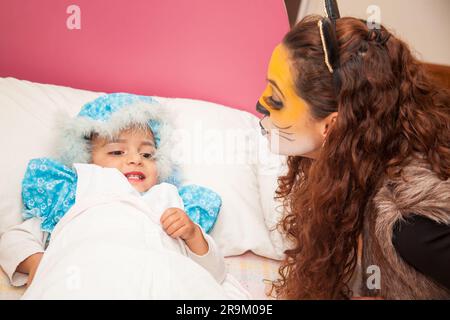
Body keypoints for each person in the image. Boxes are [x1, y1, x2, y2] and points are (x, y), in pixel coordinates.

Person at [256, 2, 450, 299]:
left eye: (276, 99)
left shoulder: (411, 225)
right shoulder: (359, 160)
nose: (260, 103)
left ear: (331, 126)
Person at [0, 93, 241, 299]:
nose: (135, 159)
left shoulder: (172, 201)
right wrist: (36, 263)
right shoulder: (75, 192)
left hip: (165, 283)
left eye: (147, 154)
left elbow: (215, 273)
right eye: (117, 151)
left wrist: (193, 235)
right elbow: (14, 238)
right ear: (85, 159)